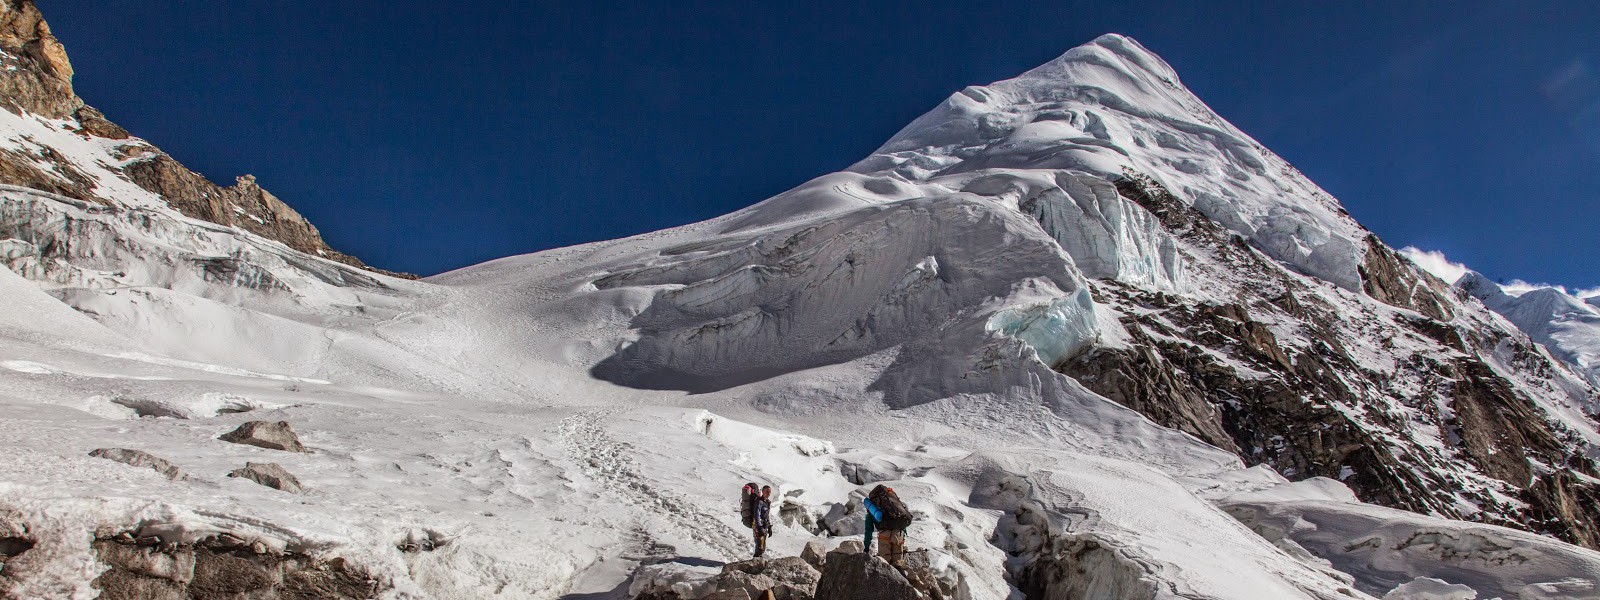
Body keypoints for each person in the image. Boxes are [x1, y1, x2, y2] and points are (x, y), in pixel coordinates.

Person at [861, 485, 907, 564]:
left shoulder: (872, 513)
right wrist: (903, 537)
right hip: (898, 534)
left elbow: (868, 531)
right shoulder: (894, 508)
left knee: (884, 564)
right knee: (898, 563)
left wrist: (866, 548)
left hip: (884, 535)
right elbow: (901, 521)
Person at [752, 485, 773, 557]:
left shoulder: (767, 502)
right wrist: (759, 527)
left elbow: (766, 515)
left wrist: (769, 526)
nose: (768, 493)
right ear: (763, 492)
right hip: (759, 526)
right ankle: (755, 563)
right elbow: (756, 515)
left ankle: (757, 563)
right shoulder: (759, 502)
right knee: (759, 546)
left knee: (762, 546)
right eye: (767, 491)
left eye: (769, 492)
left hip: (764, 526)